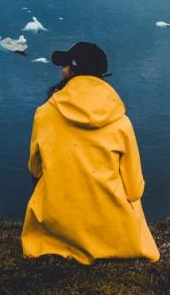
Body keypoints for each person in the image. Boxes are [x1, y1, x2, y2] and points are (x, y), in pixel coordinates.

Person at [21, 42, 160, 264]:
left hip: (56, 220)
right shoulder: (121, 123)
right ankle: (110, 242)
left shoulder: (44, 113)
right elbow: (134, 189)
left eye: (65, 65)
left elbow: (35, 169)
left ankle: (57, 237)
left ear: (73, 71)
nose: (61, 70)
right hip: (112, 230)